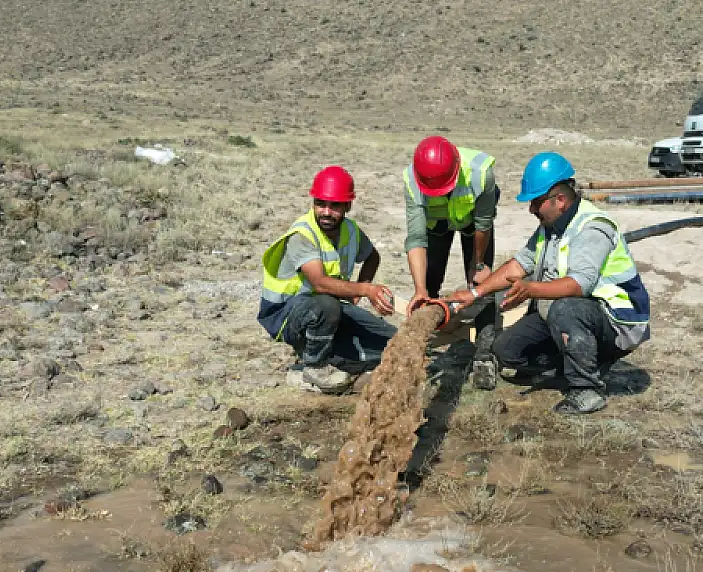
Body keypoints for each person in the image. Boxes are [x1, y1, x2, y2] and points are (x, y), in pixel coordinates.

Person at [446, 152, 651, 414]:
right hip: (568, 314)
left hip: (617, 321)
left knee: (565, 308)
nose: (531, 209)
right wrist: (475, 292)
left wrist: (531, 289)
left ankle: (587, 389)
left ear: (561, 200)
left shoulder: (591, 227)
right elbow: (519, 264)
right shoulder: (550, 225)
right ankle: (571, 363)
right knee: (506, 350)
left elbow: (579, 285)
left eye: (536, 202)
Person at [257, 165, 397, 394]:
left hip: (328, 309)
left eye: (335, 206)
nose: (326, 212)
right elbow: (320, 283)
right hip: (285, 315)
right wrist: (364, 289)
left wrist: (356, 293)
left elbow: (372, 257)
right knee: (326, 306)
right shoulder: (302, 235)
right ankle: (313, 367)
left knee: (391, 341)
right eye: (320, 203)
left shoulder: (351, 230)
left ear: (348, 206)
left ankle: (337, 357)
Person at [402, 135, 501, 389]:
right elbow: (415, 238)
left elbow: (483, 224)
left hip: (474, 224)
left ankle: (485, 355)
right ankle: (419, 350)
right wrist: (420, 289)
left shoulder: (481, 175)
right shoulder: (413, 180)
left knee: (482, 286)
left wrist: (477, 264)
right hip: (437, 224)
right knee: (429, 281)